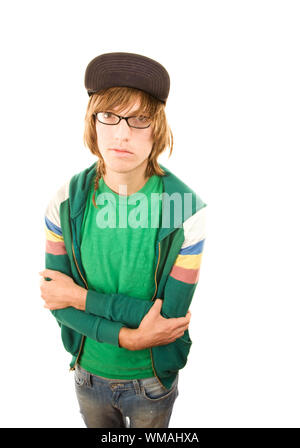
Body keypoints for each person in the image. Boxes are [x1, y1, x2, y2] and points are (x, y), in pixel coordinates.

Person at [39, 52, 207, 428]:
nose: (122, 133)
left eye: (139, 119)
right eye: (109, 115)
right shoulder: (64, 202)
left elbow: (167, 320)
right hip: (86, 373)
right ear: (93, 121)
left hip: (151, 381)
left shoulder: (185, 211)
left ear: (157, 127)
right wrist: (127, 335)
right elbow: (55, 299)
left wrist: (80, 297)